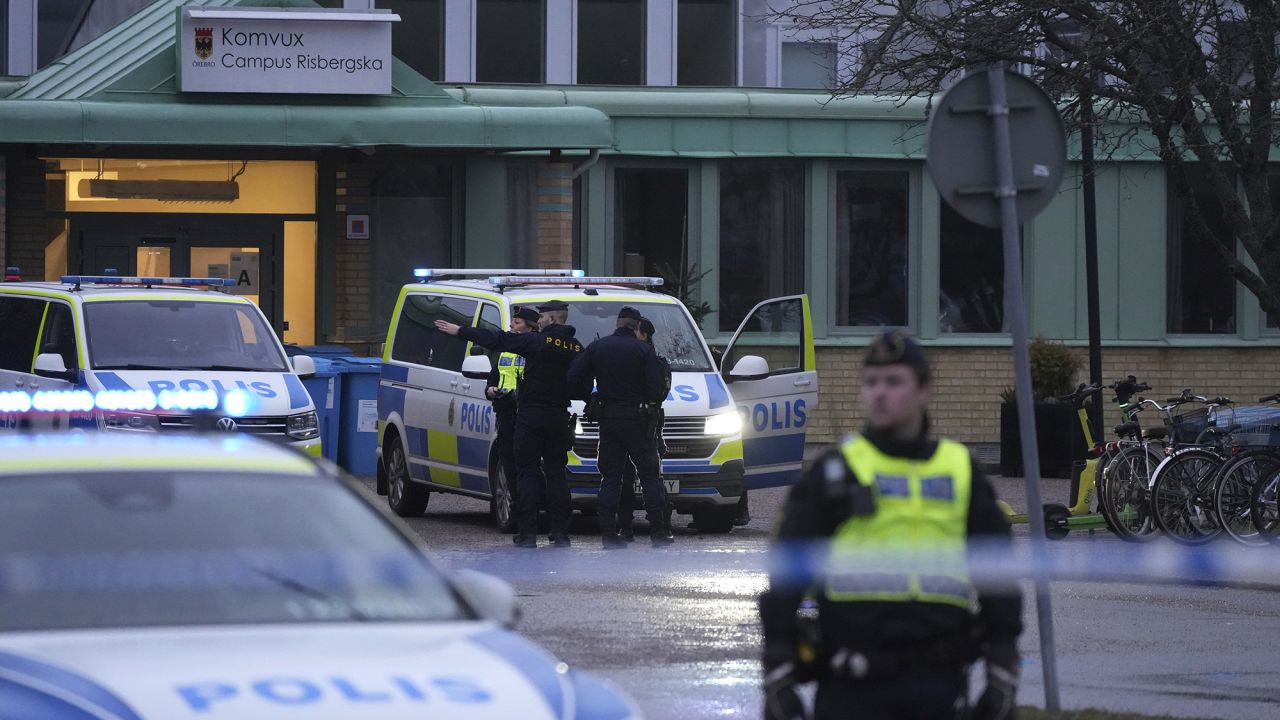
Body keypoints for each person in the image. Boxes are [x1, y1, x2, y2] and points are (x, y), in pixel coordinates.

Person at [758, 330, 1023, 720]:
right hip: (850, 687)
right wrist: (778, 672)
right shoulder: (835, 471)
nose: (879, 393)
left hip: (938, 684)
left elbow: (1000, 578)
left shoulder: (961, 471)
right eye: (871, 382)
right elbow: (785, 575)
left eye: (894, 381)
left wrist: (1002, 671)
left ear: (924, 390)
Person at [435, 300, 584, 548]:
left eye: (543, 316)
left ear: (553, 319)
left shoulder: (536, 342)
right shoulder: (577, 348)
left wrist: (460, 331)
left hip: (530, 415)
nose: (540, 320)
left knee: (526, 472)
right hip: (559, 415)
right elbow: (582, 382)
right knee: (557, 474)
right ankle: (560, 534)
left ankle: (527, 534)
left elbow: (497, 339)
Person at [568, 306, 671, 548]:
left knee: (610, 478)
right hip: (639, 421)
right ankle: (657, 533)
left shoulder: (598, 347)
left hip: (610, 421)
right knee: (649, 476)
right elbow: (657, 389)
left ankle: (609, 536)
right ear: (636, 327)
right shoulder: (644, 350)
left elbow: (573, 377)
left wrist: (590, 399)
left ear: (617, 323)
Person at [617, 316, 672, 542]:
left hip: (644, 425)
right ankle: (634, 527)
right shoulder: (647, 358)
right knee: (636, 477)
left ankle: (656, 527)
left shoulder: (652, 360)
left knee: (648, 477)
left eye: (635, 331)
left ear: (644, 335)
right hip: (639, 423)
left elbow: (660, 392)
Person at [486, 305, 539, 532]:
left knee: (527, 467)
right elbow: (494, 376)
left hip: (528, 413)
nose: (511, 326)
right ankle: (517, 513)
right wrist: (489, 389)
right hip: (506, 413)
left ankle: (528, 514)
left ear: (530, 326)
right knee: (509, 463)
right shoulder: (504, 350)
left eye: (516, 323)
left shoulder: (538, 348)